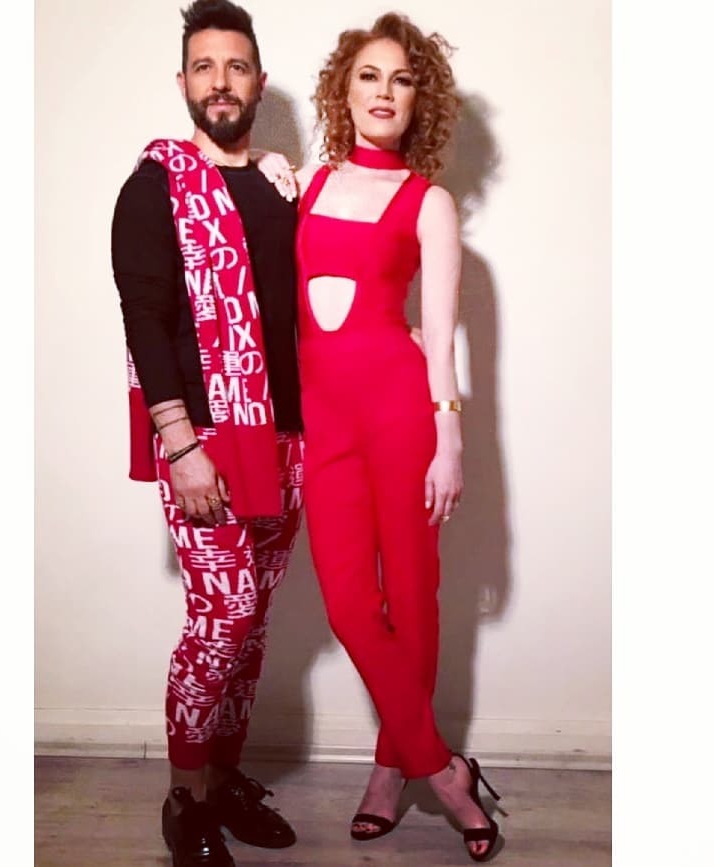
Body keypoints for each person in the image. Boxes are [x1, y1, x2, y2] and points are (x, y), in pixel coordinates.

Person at [260, 12, 504, 862]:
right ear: (343, 88)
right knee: (349, 604)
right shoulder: (306, 186)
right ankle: (444, 769)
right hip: (325, 425)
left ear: (417, 99)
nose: (383, 92)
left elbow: (439, 341)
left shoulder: (427, 203)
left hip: (402, 418)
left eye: (401, 79)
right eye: (368, 75)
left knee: (411, 594)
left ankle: (389, 768)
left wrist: (450, 439)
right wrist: (264, 172)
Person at [110, 2, 303, 865]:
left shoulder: (278, 186)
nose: (219, 81)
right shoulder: (153, 186)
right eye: (203, 66)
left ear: (258, 82)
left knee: (251, 624)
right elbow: (146, 319)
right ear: (183, 81)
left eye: (235, 66)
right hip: (206, 437)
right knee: (220, 618)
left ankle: (222, 777)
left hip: (287, 436)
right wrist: (180, 444)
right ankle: (185, 796)